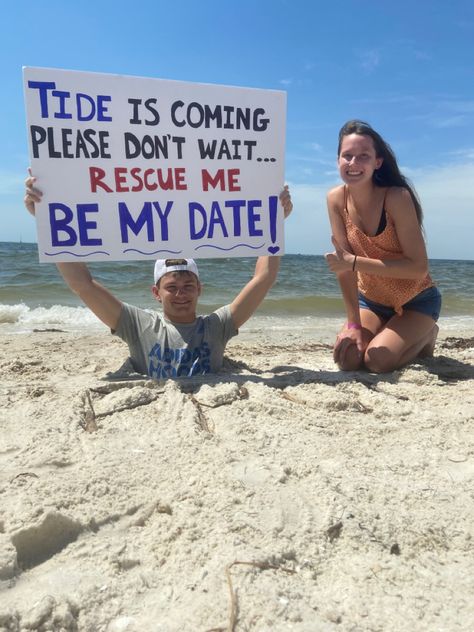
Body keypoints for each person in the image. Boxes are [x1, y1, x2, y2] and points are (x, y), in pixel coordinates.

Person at [24, 172, 293, 378]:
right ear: (156, 292)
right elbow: (82, 284)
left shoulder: (216, 326)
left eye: (188, 285)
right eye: (172, 287)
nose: (180, 294)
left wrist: (274, 222)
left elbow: (263, 278)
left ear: (200, 288)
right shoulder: (138, 325)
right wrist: (47, 221)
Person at [324, 120, 441, 374]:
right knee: (348, 359)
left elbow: (418, 268)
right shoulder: (335, 199)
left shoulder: (396, 197)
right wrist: (353, 324)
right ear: (337, 161)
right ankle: (384, 329)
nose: (353, 163)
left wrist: (355, 263)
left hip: (416, 300)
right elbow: (343, 268)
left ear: (377, 162)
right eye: (347, 156)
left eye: (363, 156)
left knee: (377, 362)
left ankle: (428, 334)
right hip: (372, 301)